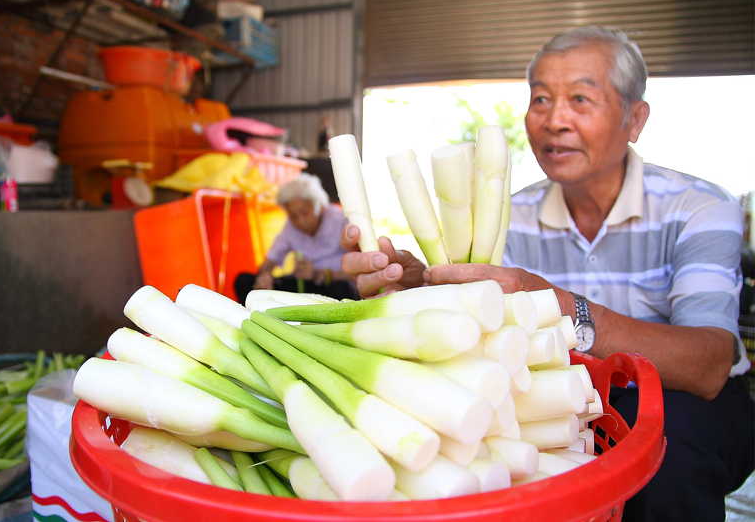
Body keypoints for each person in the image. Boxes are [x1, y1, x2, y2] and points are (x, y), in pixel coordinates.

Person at [339, 26, 754, 521]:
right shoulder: (511, 212)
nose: (555, 120)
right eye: (540, 99)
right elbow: (482, 324)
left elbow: (709, 366)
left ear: (635, 118)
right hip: (571, 391)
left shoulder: (701, 207)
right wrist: (414, 288)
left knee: (671, 450)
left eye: (581, 99)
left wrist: (558, 303)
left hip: (688, 399)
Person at [234, 173, 359, 303]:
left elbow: (359, 270)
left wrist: (322, 275)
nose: (300, 221)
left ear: (320, 206)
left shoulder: (341, 222)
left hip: (334, 285)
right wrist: (265, 275)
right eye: (293, 216)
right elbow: (271, 259)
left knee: (342, 290)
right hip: (304, 287)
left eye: (305, 213)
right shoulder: (290, 227)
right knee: (245, 281)